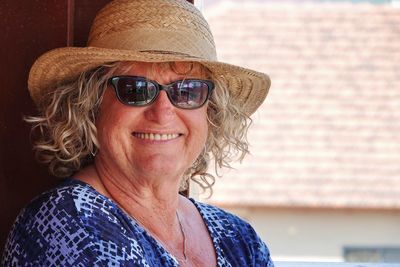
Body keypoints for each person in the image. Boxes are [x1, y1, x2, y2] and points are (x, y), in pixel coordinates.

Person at [2, 0, 273, 266]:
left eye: (187, 90)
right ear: (91, 104)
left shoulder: (239, 239)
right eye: (135, 90)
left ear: (211, 113)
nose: (163, 112)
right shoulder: (64, 226)